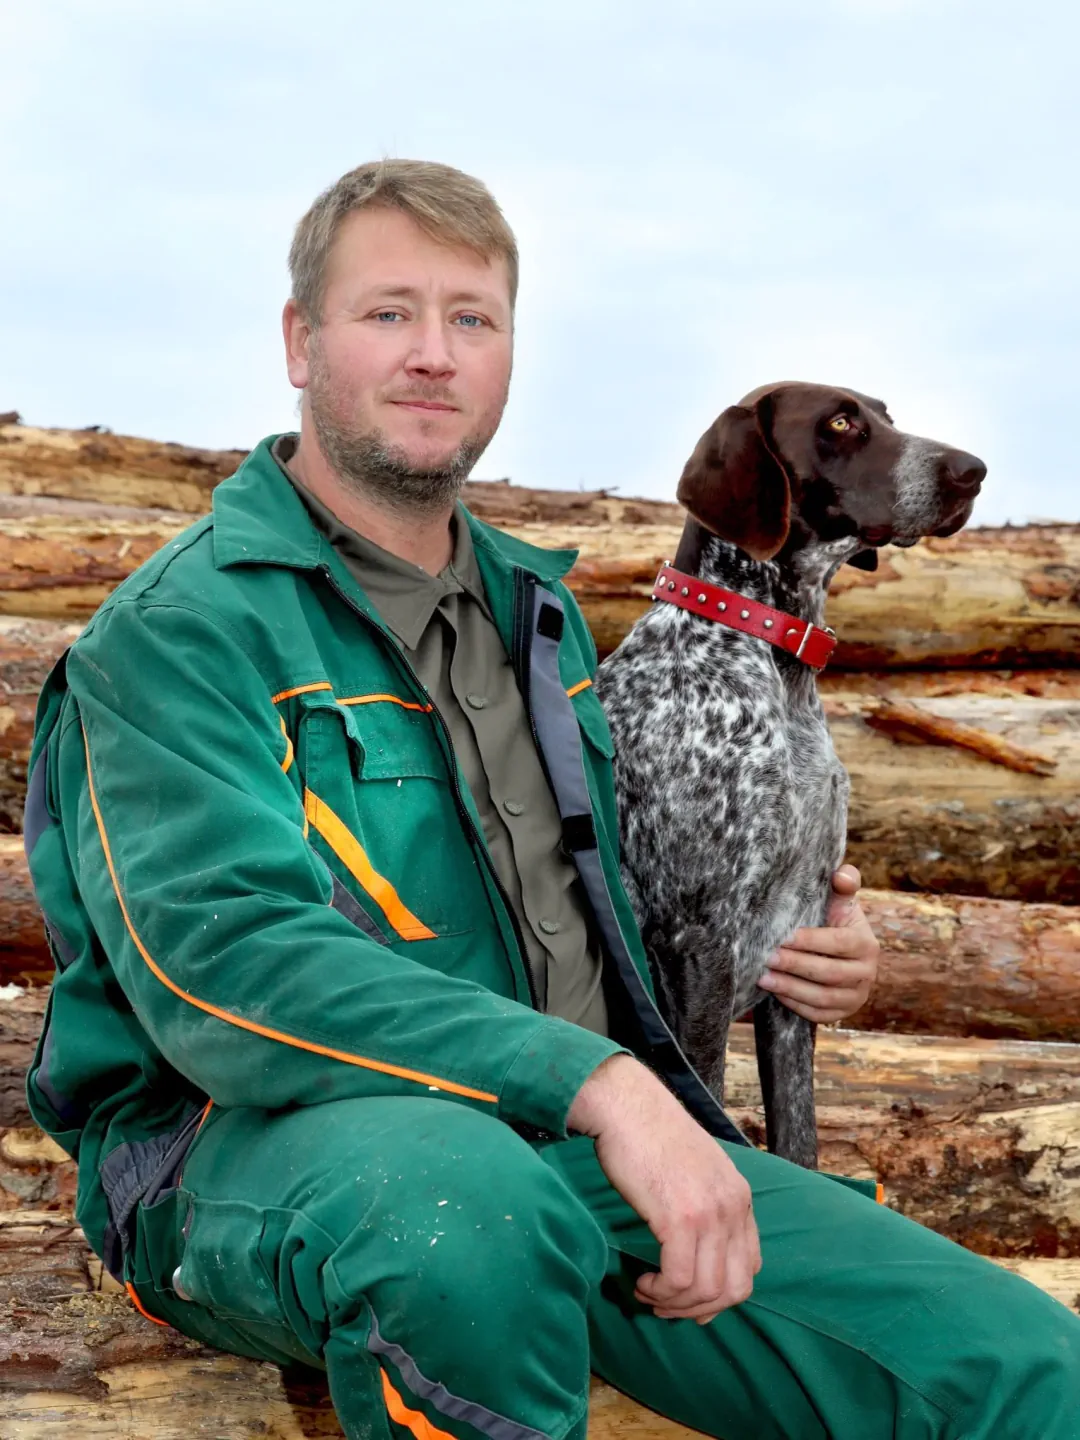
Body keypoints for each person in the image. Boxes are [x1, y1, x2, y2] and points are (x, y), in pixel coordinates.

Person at [23, 159, 1079, 1440]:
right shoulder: (181, 633)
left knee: (1028, 1370)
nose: (433, 354)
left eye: (471, 318)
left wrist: (795, 948)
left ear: (510, 354)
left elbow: (622, 903)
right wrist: (602, 1084)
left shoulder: (543, 620)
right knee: (464, 1218)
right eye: (388, 312)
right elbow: (227, 971)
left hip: (575, 1149)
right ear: (300, 342)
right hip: (245, 1153)